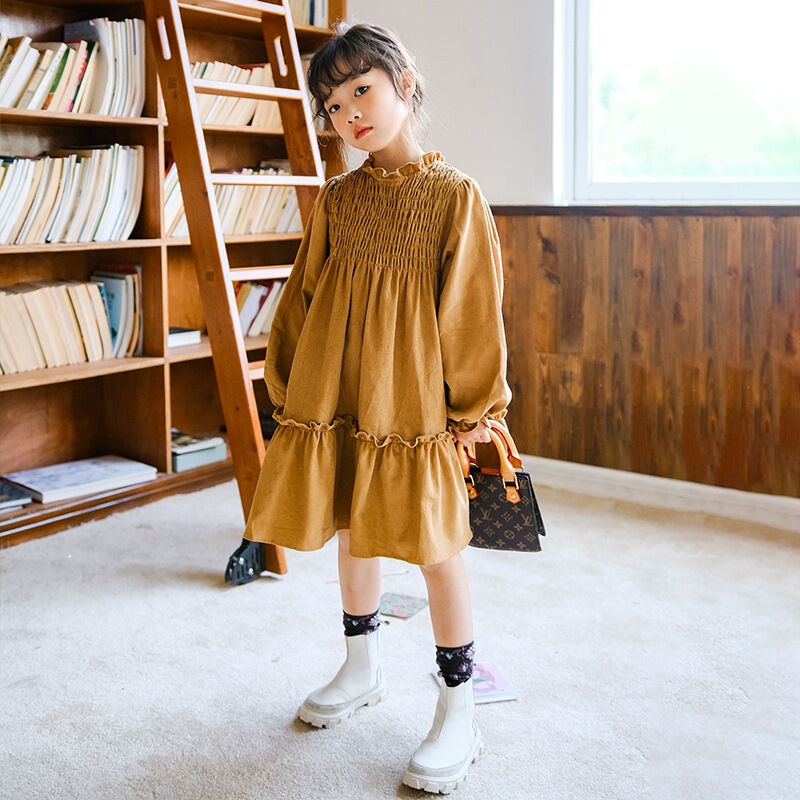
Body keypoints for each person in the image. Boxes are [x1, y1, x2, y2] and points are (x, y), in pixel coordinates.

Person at [242, 20, 511, 794]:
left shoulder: (453, 197)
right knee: (353, 527)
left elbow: (470, 312)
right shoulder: (338, 199)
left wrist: (472, 411)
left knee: (433, 546)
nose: (349, 112)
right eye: (331, 104)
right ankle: (361, 665)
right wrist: (290, 385)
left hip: (416, 404)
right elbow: (301, 298)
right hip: (341, 391)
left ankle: (459, 703)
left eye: (362, 88)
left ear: (404, 83)